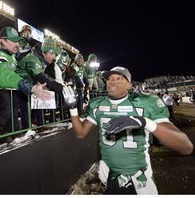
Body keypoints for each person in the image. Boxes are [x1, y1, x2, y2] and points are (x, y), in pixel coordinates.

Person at [63, 66, 193, 194]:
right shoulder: (97, 104)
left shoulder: (144, 103)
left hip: (138, 177)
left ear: (129, 85)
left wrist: (145, 122)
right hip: (110, 174)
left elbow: (186, 147)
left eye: (119, 78)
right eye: (109, 79)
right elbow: (81, 133)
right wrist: (73, 108)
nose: (112, 81)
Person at [16, 36, 64, 126]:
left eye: (55, 54)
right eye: (52, 54)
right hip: (18, 86)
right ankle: (25, 130)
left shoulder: (41, 59)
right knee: (19, 109)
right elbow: (42, 77)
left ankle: (34, 127)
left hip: (26, 86)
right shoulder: (32, 58)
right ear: (43, 52)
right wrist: (61, 88)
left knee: (27, 107)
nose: (54, 57)